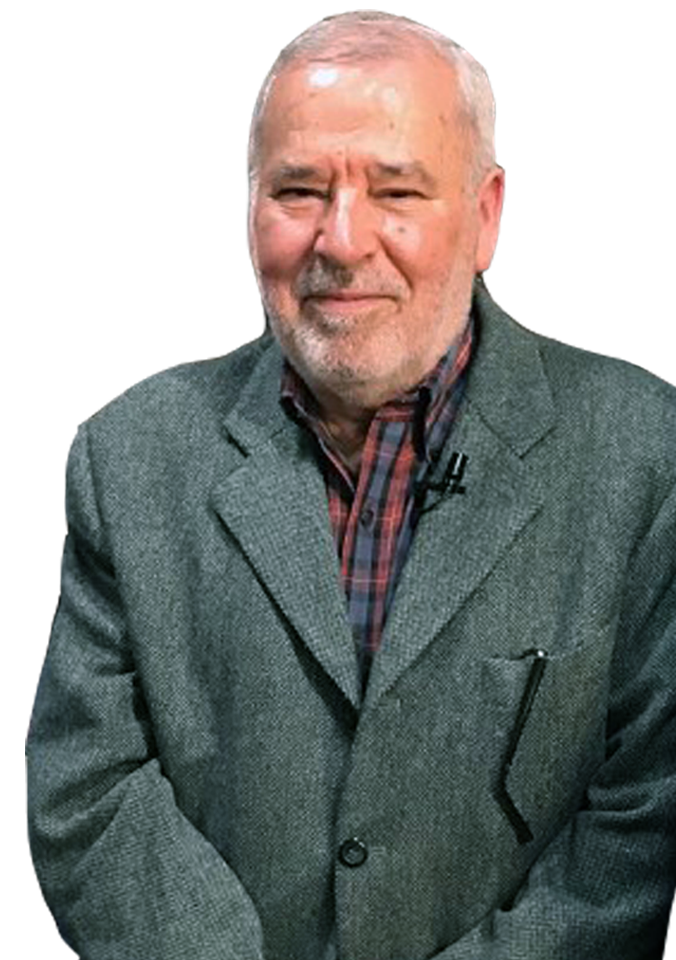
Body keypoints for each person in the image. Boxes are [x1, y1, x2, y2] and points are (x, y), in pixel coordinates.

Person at [27, 12, 676, 960]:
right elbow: (86, 784)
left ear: (487, 214)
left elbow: (649, 813)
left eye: (396, 190)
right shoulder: (129, 455)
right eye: (298, 190)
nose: (340, 238)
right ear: (250, 208)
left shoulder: (647, 457)